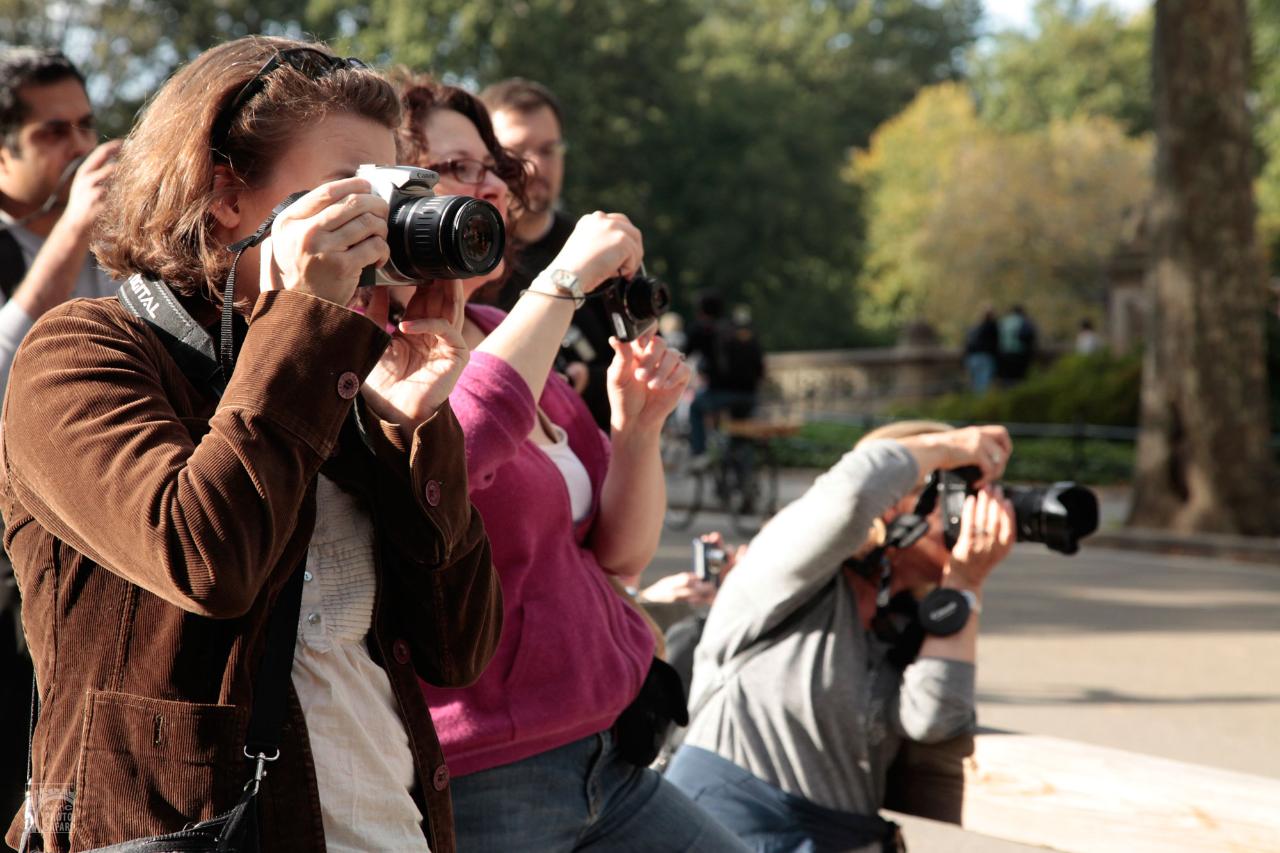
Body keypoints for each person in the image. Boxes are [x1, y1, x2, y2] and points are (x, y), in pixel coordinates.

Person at [1, 37, 502, 852]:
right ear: (226, 193)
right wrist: (308, 320)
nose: (378, 227)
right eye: (347, 195)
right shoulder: (82, 353)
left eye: (389, 193)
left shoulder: (336, 367)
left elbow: (460, 649)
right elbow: (206, 557)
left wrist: (412, 429)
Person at [392, 72, 749, 852]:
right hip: (488, 775)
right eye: (457, 168)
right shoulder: (372, 348)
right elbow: (447, 461)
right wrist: (560, 283)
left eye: (492, 167)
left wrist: (637, 431)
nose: (489, 186)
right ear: (388, 189)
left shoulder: (499, 325)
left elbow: (619, 551)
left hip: (609, 756)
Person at [665, 421, 1016, 853]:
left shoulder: (900, 623)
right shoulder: (783, 574)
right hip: (721, 836)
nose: (981, 510)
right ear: (893, 505)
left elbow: (934, 715)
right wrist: (953, 446)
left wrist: (964, 583)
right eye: (960, 491)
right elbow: (852, 495)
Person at [480, 77, 616, 430]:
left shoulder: (596, 247)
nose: (536, 166)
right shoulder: (465, 259)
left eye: (548, 149)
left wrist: (588, 379)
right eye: (518, 151)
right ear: (486, 158)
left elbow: (647, 367)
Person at [0, 48, 120, 398]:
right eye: (54, 133)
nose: (81, 146)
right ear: (3, 158)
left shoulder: (117, 237)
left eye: (85, 126)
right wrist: (73, 229)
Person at [686, 296, 766, 460]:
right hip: (750, 394)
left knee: (695, 407)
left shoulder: (702, 329)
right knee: (741, 432)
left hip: (721, 393)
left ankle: (699, 453)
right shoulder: (739, 330)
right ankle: (745, 475)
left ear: (700, 311)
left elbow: (684, 355)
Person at [997, 304, 1038, 385]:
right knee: (1019, 378)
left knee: (1007, 378)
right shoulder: (1024, 321)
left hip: (1004, 352)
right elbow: (1030, 336)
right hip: (1019, 352)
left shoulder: (1004, 321)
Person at [963, 307, 999, 394]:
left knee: (974, 385)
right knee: (983, 387)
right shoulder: (992, 327)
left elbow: (967, 343)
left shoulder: (974, 328)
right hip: (985, 357)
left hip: (972, 358)